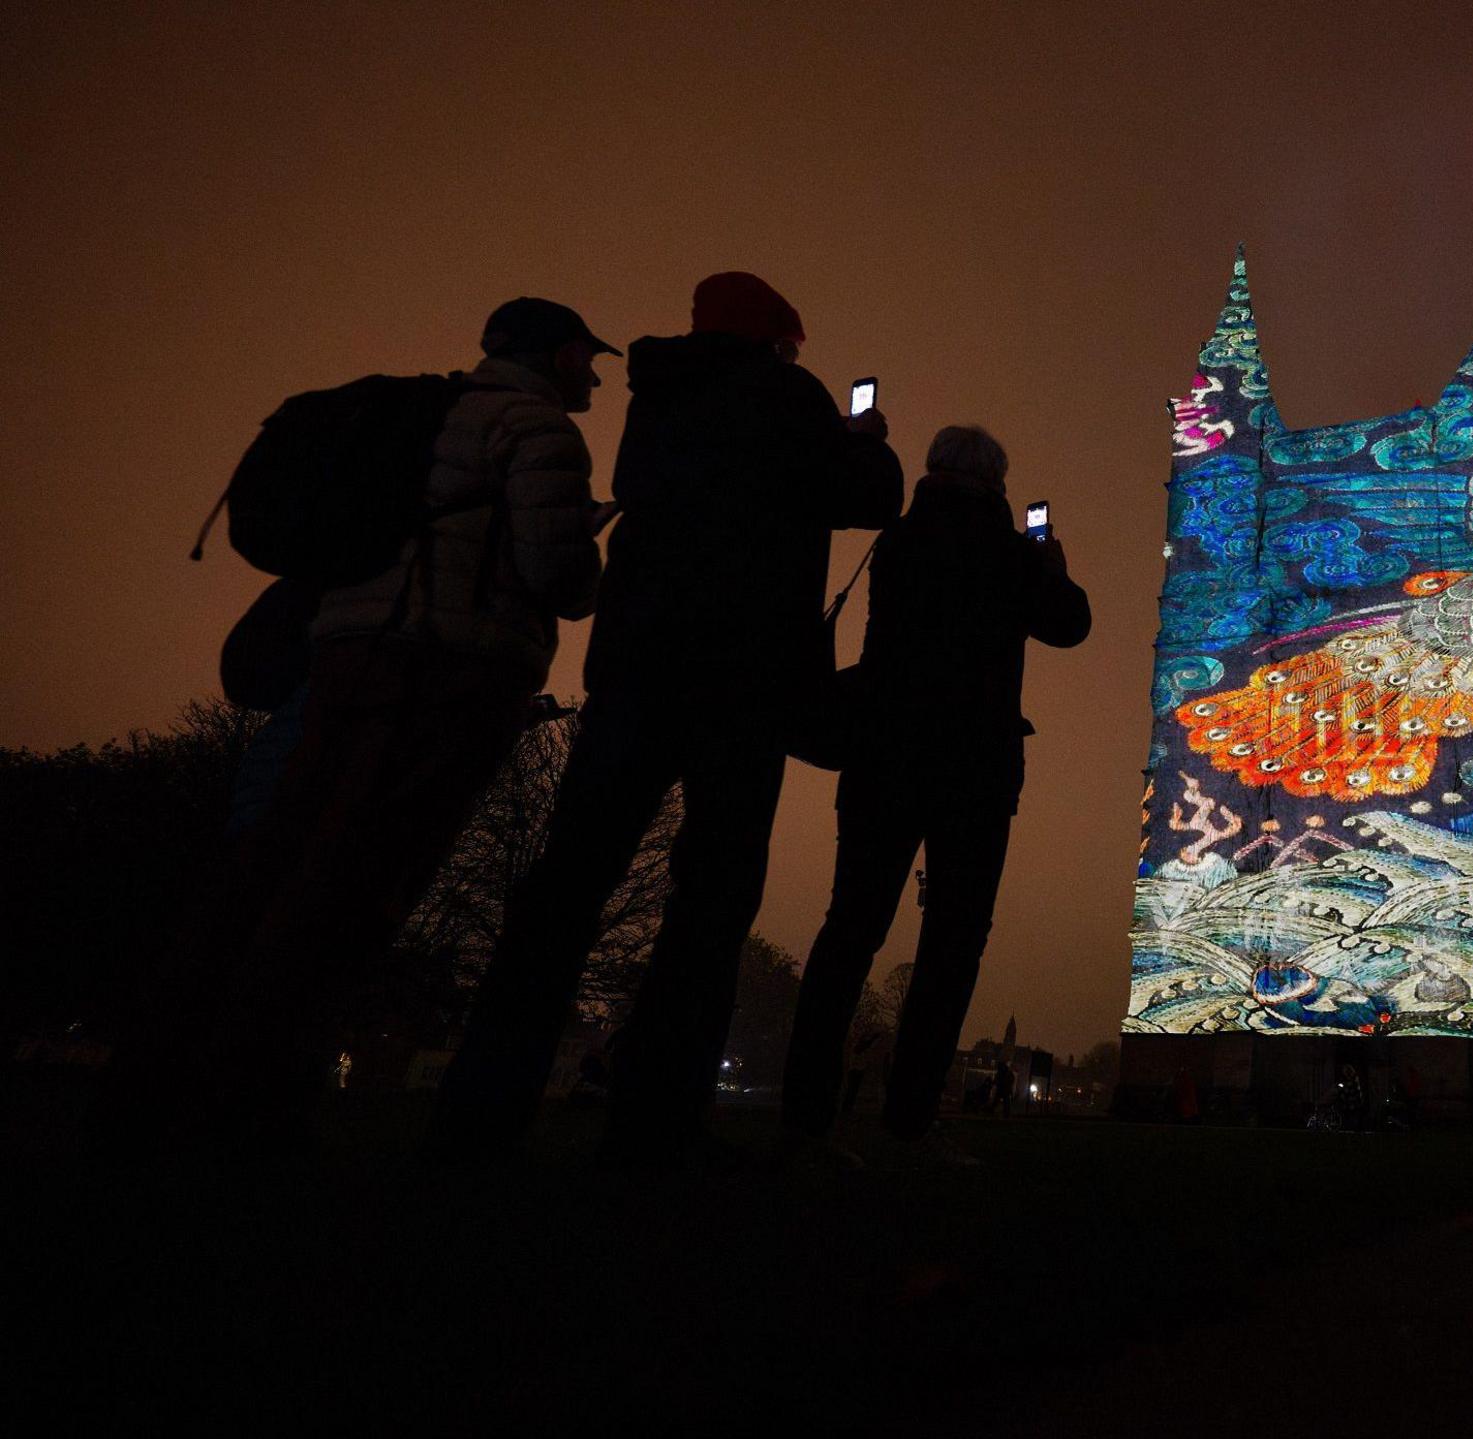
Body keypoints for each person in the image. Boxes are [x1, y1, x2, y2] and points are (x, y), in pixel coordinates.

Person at [104, 297, 616, 1151]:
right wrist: (588, 545)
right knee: (356, 886)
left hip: (348, 657)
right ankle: (240, 1112)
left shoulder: (424, 412)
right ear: (558, 356)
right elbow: (556, 574)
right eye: (586, 357)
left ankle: (148, 1092)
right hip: (450, 669)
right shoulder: (538, 429)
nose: (595, 374)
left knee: (273, 865)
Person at [433, 273, 902, 1166]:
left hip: (638, 670)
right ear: (773, 339)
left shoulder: (654, 400)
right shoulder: (788, 399)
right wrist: (863, 441)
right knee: (712, 904)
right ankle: (656, 1122)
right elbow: (873, 496)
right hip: (746, 685)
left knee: (568, 883)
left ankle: (481, 1107)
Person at [780, 425, 1088, 1155]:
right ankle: (908, 1116)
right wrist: (1055, 568)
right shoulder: (1012, 556)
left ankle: (806, 1111)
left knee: (850, 926)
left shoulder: (896, 542)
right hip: (975, 768)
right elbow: (1070, 625)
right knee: (952, 942)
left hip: (882, 754)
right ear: (997, 483)